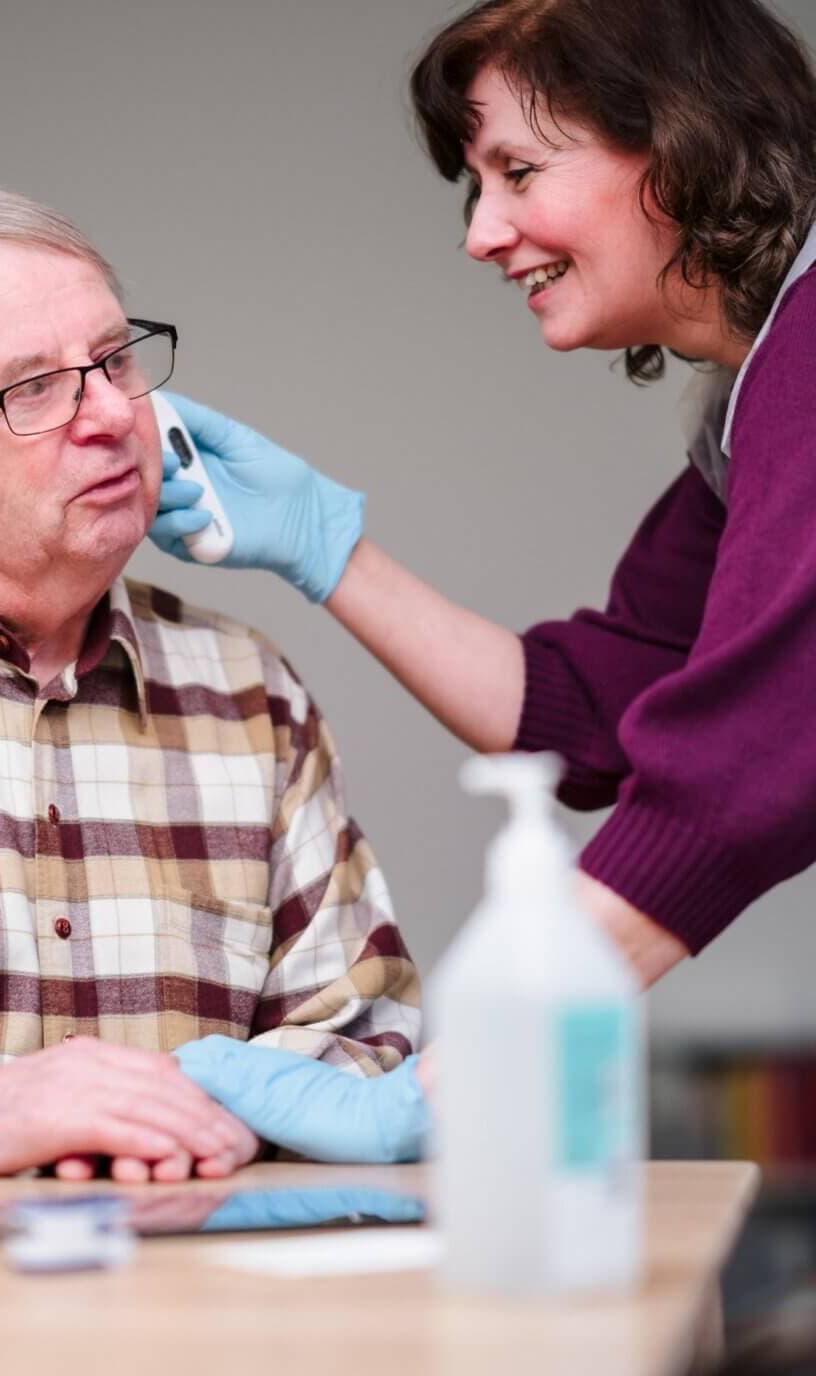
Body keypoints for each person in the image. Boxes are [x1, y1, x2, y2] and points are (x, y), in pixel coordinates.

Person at [149, 0, 816, 1160]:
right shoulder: (755, 397)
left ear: (685, 141)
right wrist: (328, 548)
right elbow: (603, 707)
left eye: (518, 168)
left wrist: (455, 1079)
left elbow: (752, 754)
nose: (480, 232)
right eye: (477, 184)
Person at [0, 180, 421, 1180]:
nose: (108, 415)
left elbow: (362, 1026)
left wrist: (227, 1114)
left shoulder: (248, 692)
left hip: (183, 1317)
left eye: (113, 360)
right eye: (33, 389)